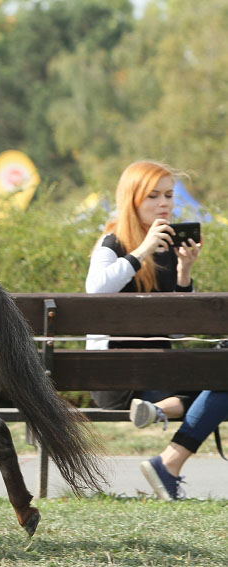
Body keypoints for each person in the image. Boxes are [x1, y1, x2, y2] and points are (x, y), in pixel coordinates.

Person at [85, 160, 202, 427]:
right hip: (116, 380)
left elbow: (176, 333)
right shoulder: (112, 244)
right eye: (153, 196)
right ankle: (158, 411)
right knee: (216, 388)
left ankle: (153, 411)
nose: (165, 204)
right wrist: (141, 252)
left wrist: (184, 272)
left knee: (218, 380)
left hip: (158, 374)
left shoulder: (169, 251)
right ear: (132, 200)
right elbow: (96, 289)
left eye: (169, 195)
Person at [141, 390, 228, 500]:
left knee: (219, 386)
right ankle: (169, 461)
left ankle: (157, 409)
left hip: (129, 392)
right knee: (222, 388)